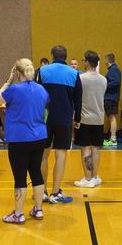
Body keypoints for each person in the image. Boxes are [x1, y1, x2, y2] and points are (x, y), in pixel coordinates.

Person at [0, 59, 49, 224]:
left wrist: (8, 81)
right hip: (39, 137)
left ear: (17, 73)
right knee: (36, 173)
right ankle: (38, 209)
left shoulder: (14, 89)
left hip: (19, 138)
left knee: (20, 176)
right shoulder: (42, 89)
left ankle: (18, 214)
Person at [38, 45, 82, 203]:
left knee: (43, 154)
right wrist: (77, 119)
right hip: (64, 119)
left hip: (45, 119)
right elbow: (78, 99)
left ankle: (42, 192)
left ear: (52, 56)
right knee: (61, 154)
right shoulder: (74, 73)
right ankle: (55, 193)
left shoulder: (42, 71)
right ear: (66, 57)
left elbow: (37, 94)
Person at [74, 50, 108, 188]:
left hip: (85, 119)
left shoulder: (81, 78)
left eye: (83, 60)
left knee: (85, 149)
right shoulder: (104, 79)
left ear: (87, 62)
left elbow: (76, 98)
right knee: (96, 148)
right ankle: (94, 177)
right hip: (99, 118)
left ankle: (88, 179)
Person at [103, 53, 121, 146]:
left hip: (111, 98)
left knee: (112, 117)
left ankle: (113, 139)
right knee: (111, 117)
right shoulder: (113, 70)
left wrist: (105, 85)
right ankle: (112, 138)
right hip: (111, 97)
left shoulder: (113, 70)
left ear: (107, 60)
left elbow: (116, 82)